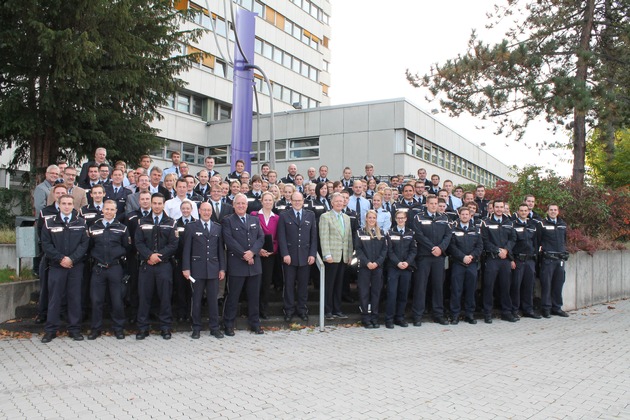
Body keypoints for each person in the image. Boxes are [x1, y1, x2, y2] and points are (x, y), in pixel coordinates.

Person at [40, 194, 89, 343]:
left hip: (75, 266)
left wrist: (72, 259)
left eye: (69, 204)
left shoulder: (81, 222)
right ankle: (51, 330)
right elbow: (46, 245)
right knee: (54, 298)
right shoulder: (49, 223)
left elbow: (84, 244)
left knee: (75, 298)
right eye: (64, 203)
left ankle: (74, 329)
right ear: (59, 205)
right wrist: (61, 259)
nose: (67, 206)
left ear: (74, 206)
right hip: (56, 266)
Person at [134, 193, 178, 340]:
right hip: (146, 265)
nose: (157, 206)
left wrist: (158, 256)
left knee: (165, 297)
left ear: (163, 204)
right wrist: (149, 256)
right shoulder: (142, 221)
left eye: (160, 203)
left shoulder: (171, 222)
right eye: (155, 203)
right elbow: (138, 243)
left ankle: (165, 328)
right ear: (151, 204)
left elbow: (173, 244)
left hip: (164, 266)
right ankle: (142, 328)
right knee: (144, 297)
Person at [222, 194, 265, 336]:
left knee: (254, 297)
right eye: (238, 203)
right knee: (233, 296)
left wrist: (252, 252)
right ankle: (228, 324)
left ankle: (255, 323)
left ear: (247, 205)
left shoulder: (254, 219)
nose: (241, 206)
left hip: (254, 264)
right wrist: (245, 255)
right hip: (237, 264)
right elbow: (229, 241)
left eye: (243, 203)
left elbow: (261, 237)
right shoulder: (228, 221)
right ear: (233, 205)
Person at [182, 202, 226, 339]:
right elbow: (186, 250)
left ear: (211, 212)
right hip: (197, 269)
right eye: (204, 210)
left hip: (213, 268)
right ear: (199, 211)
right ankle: (196, 328)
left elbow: (220, 250)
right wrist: (186, 268)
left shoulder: (217, 228)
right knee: (197, 299)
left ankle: (214, 327)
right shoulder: (191, 227)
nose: (206, 212)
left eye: (209, 210)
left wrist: (222, 268)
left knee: (213, 299)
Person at [87, 200, 130, 340]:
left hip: (115, 268)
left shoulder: (122, 228)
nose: (109, 212)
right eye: (107, 209)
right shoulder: (94, 228)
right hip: (98, 268)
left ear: (116, 211)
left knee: (117, 300)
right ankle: (95, 329)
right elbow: (90, 247)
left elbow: (126, 248)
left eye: (112, 209)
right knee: (96, 300)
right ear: (103, 210)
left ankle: (118, 328)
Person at [411, 195, 452, 326]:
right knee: (420, 287)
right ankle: (418, 315)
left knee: (438, 286)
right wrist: (432, 247)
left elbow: (448, 235)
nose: (434, 205)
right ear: (427, 204)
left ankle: (438, 314)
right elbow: (418, 235)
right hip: (424, 257)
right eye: (432, 203)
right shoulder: (419, 217)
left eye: (436, 203)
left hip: (438, 257)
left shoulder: (444, 218)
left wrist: (440, 248)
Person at [277, 192, 317, 322]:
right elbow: (281, 237)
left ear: (303, 201)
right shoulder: (284, 216)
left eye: (299, 200)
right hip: (290, 257)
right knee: (288, 285)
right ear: (291, 201)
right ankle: (288, 310)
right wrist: (285, 254)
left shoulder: (310, 215)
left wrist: (312, 254)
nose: (297, 202)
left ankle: (302, 309)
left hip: (305, 257)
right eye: (295, 200)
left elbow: (313, 237)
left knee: (303, 285)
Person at [35, 184, 68, 323]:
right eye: (58, 192)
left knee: (64, 288)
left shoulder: (72, 212)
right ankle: (42, 313)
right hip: (49, 256)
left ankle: (61, 313)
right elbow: (42, 235)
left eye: (63, 192)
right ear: (53, 195)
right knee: (46, 287)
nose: (60, 194)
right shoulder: (45, 212)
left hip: (65, 256)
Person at [480, 198, 517, 323]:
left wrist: (506, 250)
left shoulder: (509, 222)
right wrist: (497, 250)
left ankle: (506, 312)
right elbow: (484, 241)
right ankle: (487, 313)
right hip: (492, 259)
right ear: (493, 208)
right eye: (497, 207)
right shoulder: (486, 223)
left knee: (506, 286)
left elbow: (513, 239)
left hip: (505, 259)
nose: (499, 209)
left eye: (501, 207)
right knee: (489, 286)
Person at [319, 193, 353, 319]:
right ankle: (328, 310)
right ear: (332, 203)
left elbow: (348, 238)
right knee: (330, 284)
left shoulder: (346, 218)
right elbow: (323, 237)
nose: (340, 203)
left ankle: (337, 309)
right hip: (331, 256)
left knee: (339, 284)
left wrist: (349, 254)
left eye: (342, 201)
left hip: (343, 256)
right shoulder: (325, 217)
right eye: (337, 201)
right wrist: (326, 254)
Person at [447, 207, 483, 324]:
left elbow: (479, 247)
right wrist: (463, 257)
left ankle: (469, 314)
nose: (465, 216)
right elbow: (452, 247)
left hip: (472, 264)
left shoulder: (476, 230)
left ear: (470, 216)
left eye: (467, 214)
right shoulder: (453, 230)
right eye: (463, 214)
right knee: (456, 290)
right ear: (459, 215)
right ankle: (455, 315)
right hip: (458, 263)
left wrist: (471, 256)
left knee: (470, 290)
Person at [355, 210, 388, 328]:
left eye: (374, 217)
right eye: (369, 217)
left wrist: (377, 263)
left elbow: (384, 250)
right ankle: (365, 318)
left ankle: (374, 317)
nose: (372, 220)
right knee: (364, 292)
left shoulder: (382, 233)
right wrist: (367, 262)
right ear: (366, 219)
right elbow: (358, 249)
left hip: (377, 268)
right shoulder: (360, 232)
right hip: (365, 267)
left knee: (376, 292)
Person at [385, 210, 417, 329]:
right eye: (398, 218)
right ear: (395, 219)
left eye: (402, 218)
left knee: (403, 294)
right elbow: (389, 251)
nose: (400, 220)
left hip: (406, 268)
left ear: (406, 219)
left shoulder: (410, 233)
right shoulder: (390, 232)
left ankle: (400, 318)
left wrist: (407, 262)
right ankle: (389, 319)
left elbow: (413, 250)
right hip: (394, 267)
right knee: (392, 293)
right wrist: (397, 262)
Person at [124, 191, 152, 324]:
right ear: (139, 201)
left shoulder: (155, 216)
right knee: (134, 286)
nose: (145, 201)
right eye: (143, 199)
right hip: (134, 257)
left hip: (150, 258)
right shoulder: (131, 216)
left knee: (150, 287)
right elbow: (127, 237)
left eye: (148, 199)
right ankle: (134, 313)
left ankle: (151, 312)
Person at [250, 192, 279, 319]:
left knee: (266, 283)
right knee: (255, 283)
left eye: (270, 200)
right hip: (256, 253)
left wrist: (273, 250)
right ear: (261, 201)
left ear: (273, 202)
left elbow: (278, 237)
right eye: (265, 200)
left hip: (270, 255)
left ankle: (264, 309)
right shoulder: (254, 215)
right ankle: (254, 309)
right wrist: (258, 249)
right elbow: (251, 236)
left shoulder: (277, 218)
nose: (268, 202)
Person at [511, 203, 542, 319]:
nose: (524, 212)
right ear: (518, 212)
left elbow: (536, 242)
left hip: (530, 260)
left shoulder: (533, 226)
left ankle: (528, 309)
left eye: (525, 210)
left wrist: (535, 255)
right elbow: (510, 243)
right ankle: (515, 310)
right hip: (518, 259)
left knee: (529, 286)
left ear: (529, 212)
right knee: (516, 286)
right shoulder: (513, 225)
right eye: (521, 210)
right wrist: (511, 259)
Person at [539, 204, 570, 318]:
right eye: (551, 210)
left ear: (558, 211)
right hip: (548, 259)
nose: (553, 212)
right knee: (546, 284)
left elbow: (564, 240)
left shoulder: (562, 224)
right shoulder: (542, 224)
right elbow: (538, 240)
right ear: (547, 211)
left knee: (558, 284)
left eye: (555, 210)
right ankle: (546, 308)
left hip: (560, 259)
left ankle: (557, 308)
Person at [173, 200, 196, 323]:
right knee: (180, 288)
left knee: (191, 289)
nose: (186, 211)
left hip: (193, 262)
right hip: (180, 261)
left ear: (191, 209)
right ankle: (181, 313)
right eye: (184, 208)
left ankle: (190, 313)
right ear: (181, 210)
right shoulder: (175, 223)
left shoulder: (196, 223)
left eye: (188, 208)